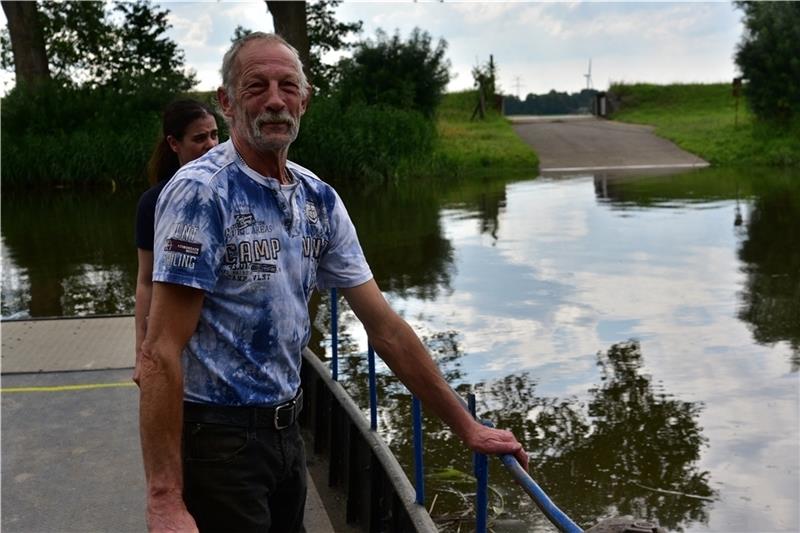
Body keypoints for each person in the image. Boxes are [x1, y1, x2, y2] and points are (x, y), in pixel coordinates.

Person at [138, 32, 528, 533]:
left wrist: (467, 426)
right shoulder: (201, 193)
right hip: (217, 437)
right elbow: (160, 350)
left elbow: (385, 328)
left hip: (286, 429)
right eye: (256, 87)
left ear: (305, 99)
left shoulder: (317, 199)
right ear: (227, 102)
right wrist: (165, 499)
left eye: (288, 86)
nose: (275, 101)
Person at [134, 100, 219, 383]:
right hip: (177, 338)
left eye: (214, 135)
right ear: (174, 143)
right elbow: (146, 281)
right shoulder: (153, 202)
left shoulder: (233, 192)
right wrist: (141, 353)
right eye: (199, 138)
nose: (211, 145)